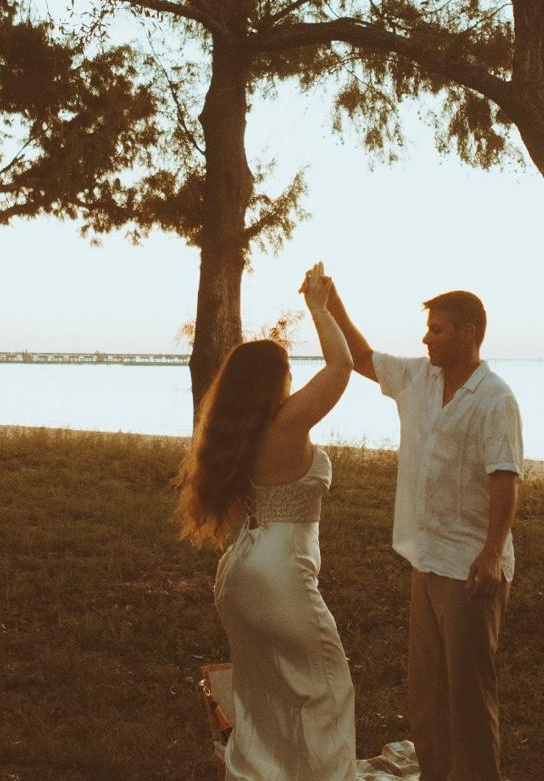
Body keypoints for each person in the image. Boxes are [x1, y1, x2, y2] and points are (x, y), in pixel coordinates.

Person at [326, 281, 523, 781]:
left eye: (437, 330)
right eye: (428, 329)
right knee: (429, 694)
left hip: (470, 568)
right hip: (427, 558)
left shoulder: (495, 399)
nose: (425, 339)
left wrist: (491, 553)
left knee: (469, 695)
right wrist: (331, 304)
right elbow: (362, 357)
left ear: (468, 333)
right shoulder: (418, 379)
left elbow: (505, 477)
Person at [174, 262, 357, 781]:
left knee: (263, 689)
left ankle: (262, 771)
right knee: (327, 687)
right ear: (277, 379)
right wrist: (319, 308)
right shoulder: (285, 424)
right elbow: (342, 366)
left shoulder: (238, 433)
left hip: (241, 571)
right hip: (280, 575)